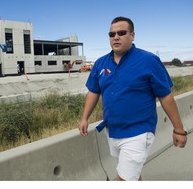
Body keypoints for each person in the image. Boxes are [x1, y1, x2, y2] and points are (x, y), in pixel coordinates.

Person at [78, 16, 187, 181]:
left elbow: (165, 96)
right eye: (111, 34)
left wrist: (178, 129)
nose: (116, 37)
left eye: (121, 33)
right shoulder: (100, 63)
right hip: (112, 130)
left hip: (139, 131)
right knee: (133, 176)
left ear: (133, 35)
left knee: (123, 180)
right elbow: (94, 92)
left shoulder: (149, 61)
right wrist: (85, 118)